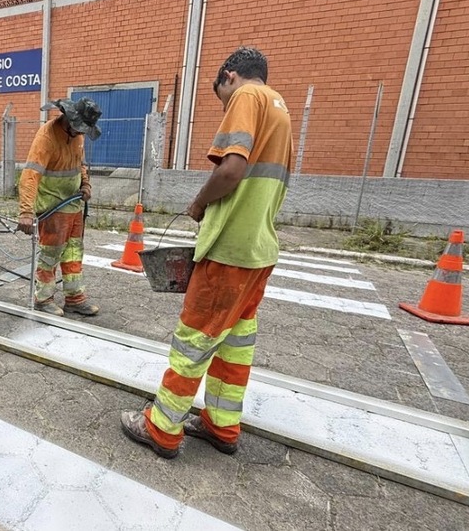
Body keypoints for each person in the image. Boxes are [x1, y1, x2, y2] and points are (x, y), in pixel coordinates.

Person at [120, 46, 293, 458]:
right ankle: (221, 424)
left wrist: (198, 204)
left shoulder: (247, 97)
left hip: (230, 249)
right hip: (259, 249)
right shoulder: (281, 109)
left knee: (193, 342)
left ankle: (161, 428)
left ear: (229, 76)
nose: (224, 104)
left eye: (220, 95)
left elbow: (231, 169)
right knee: (235, 344)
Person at [17, 98, 102, 317]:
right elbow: (30, 174)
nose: (80, 132)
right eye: (78, 127)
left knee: (74, 252)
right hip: (53, 206)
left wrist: (85, 183)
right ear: (69, 117)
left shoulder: (77, 135)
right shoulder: (46, 137)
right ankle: (43, 299)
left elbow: (79, 163)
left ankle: (75, 298)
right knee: (50, 254)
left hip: (73, 205)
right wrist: (26, 211)